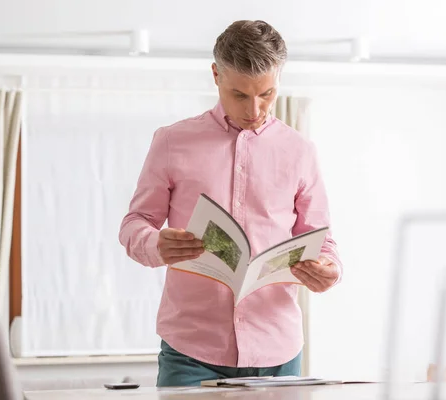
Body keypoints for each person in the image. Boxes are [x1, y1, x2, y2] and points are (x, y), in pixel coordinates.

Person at [119, 19, 343, 387]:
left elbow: (323, 240)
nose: (255, 109)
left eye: (267, 94)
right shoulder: (172, 141)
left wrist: (329, 270)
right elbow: (134, 224)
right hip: (191, 351)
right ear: (216, 75)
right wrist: (156, 243)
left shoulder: (301, 152)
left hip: (278, 350)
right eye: (240, 94)